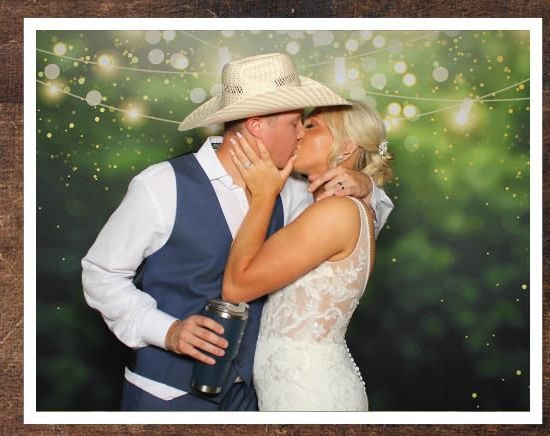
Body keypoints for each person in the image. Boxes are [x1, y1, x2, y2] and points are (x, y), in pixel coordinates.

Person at [81, 52, 394, 413]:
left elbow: (353, 237)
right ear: (258, 125)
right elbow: (101, 275)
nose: (299, 134)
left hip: (252, 400)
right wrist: (166, 331)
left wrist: (366, 184)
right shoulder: (162, 184)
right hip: (165, 398)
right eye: (296, 123)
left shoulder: (293, 190)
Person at [223, 102, 392, 411]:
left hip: (306, 394)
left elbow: (236, 286)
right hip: (294, 389)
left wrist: (263, 197)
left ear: (347, 146)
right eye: (298, 124)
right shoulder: (327, 200)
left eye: (311, 126)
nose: (299, 133)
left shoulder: (337, 209)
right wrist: (366, 183)